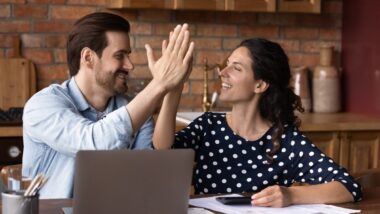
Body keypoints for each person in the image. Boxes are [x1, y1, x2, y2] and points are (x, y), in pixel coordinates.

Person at [153, 38, 362, 207]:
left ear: (260, 85)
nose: (222, 72)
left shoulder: (286, 141)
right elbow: (163, 149)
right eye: (227, 65)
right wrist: (173, 88)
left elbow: (348, 187)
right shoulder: (208, 126)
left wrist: (290, 195)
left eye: (236, 68)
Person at [22, 12, 194, 199]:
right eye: (120, 56)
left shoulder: (131, 108)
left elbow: (152, 167)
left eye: (128, 56)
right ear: (88, 57)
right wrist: (159, 84)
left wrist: (173, 88)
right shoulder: (43, 104)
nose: (129, 65)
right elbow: (93, 145)